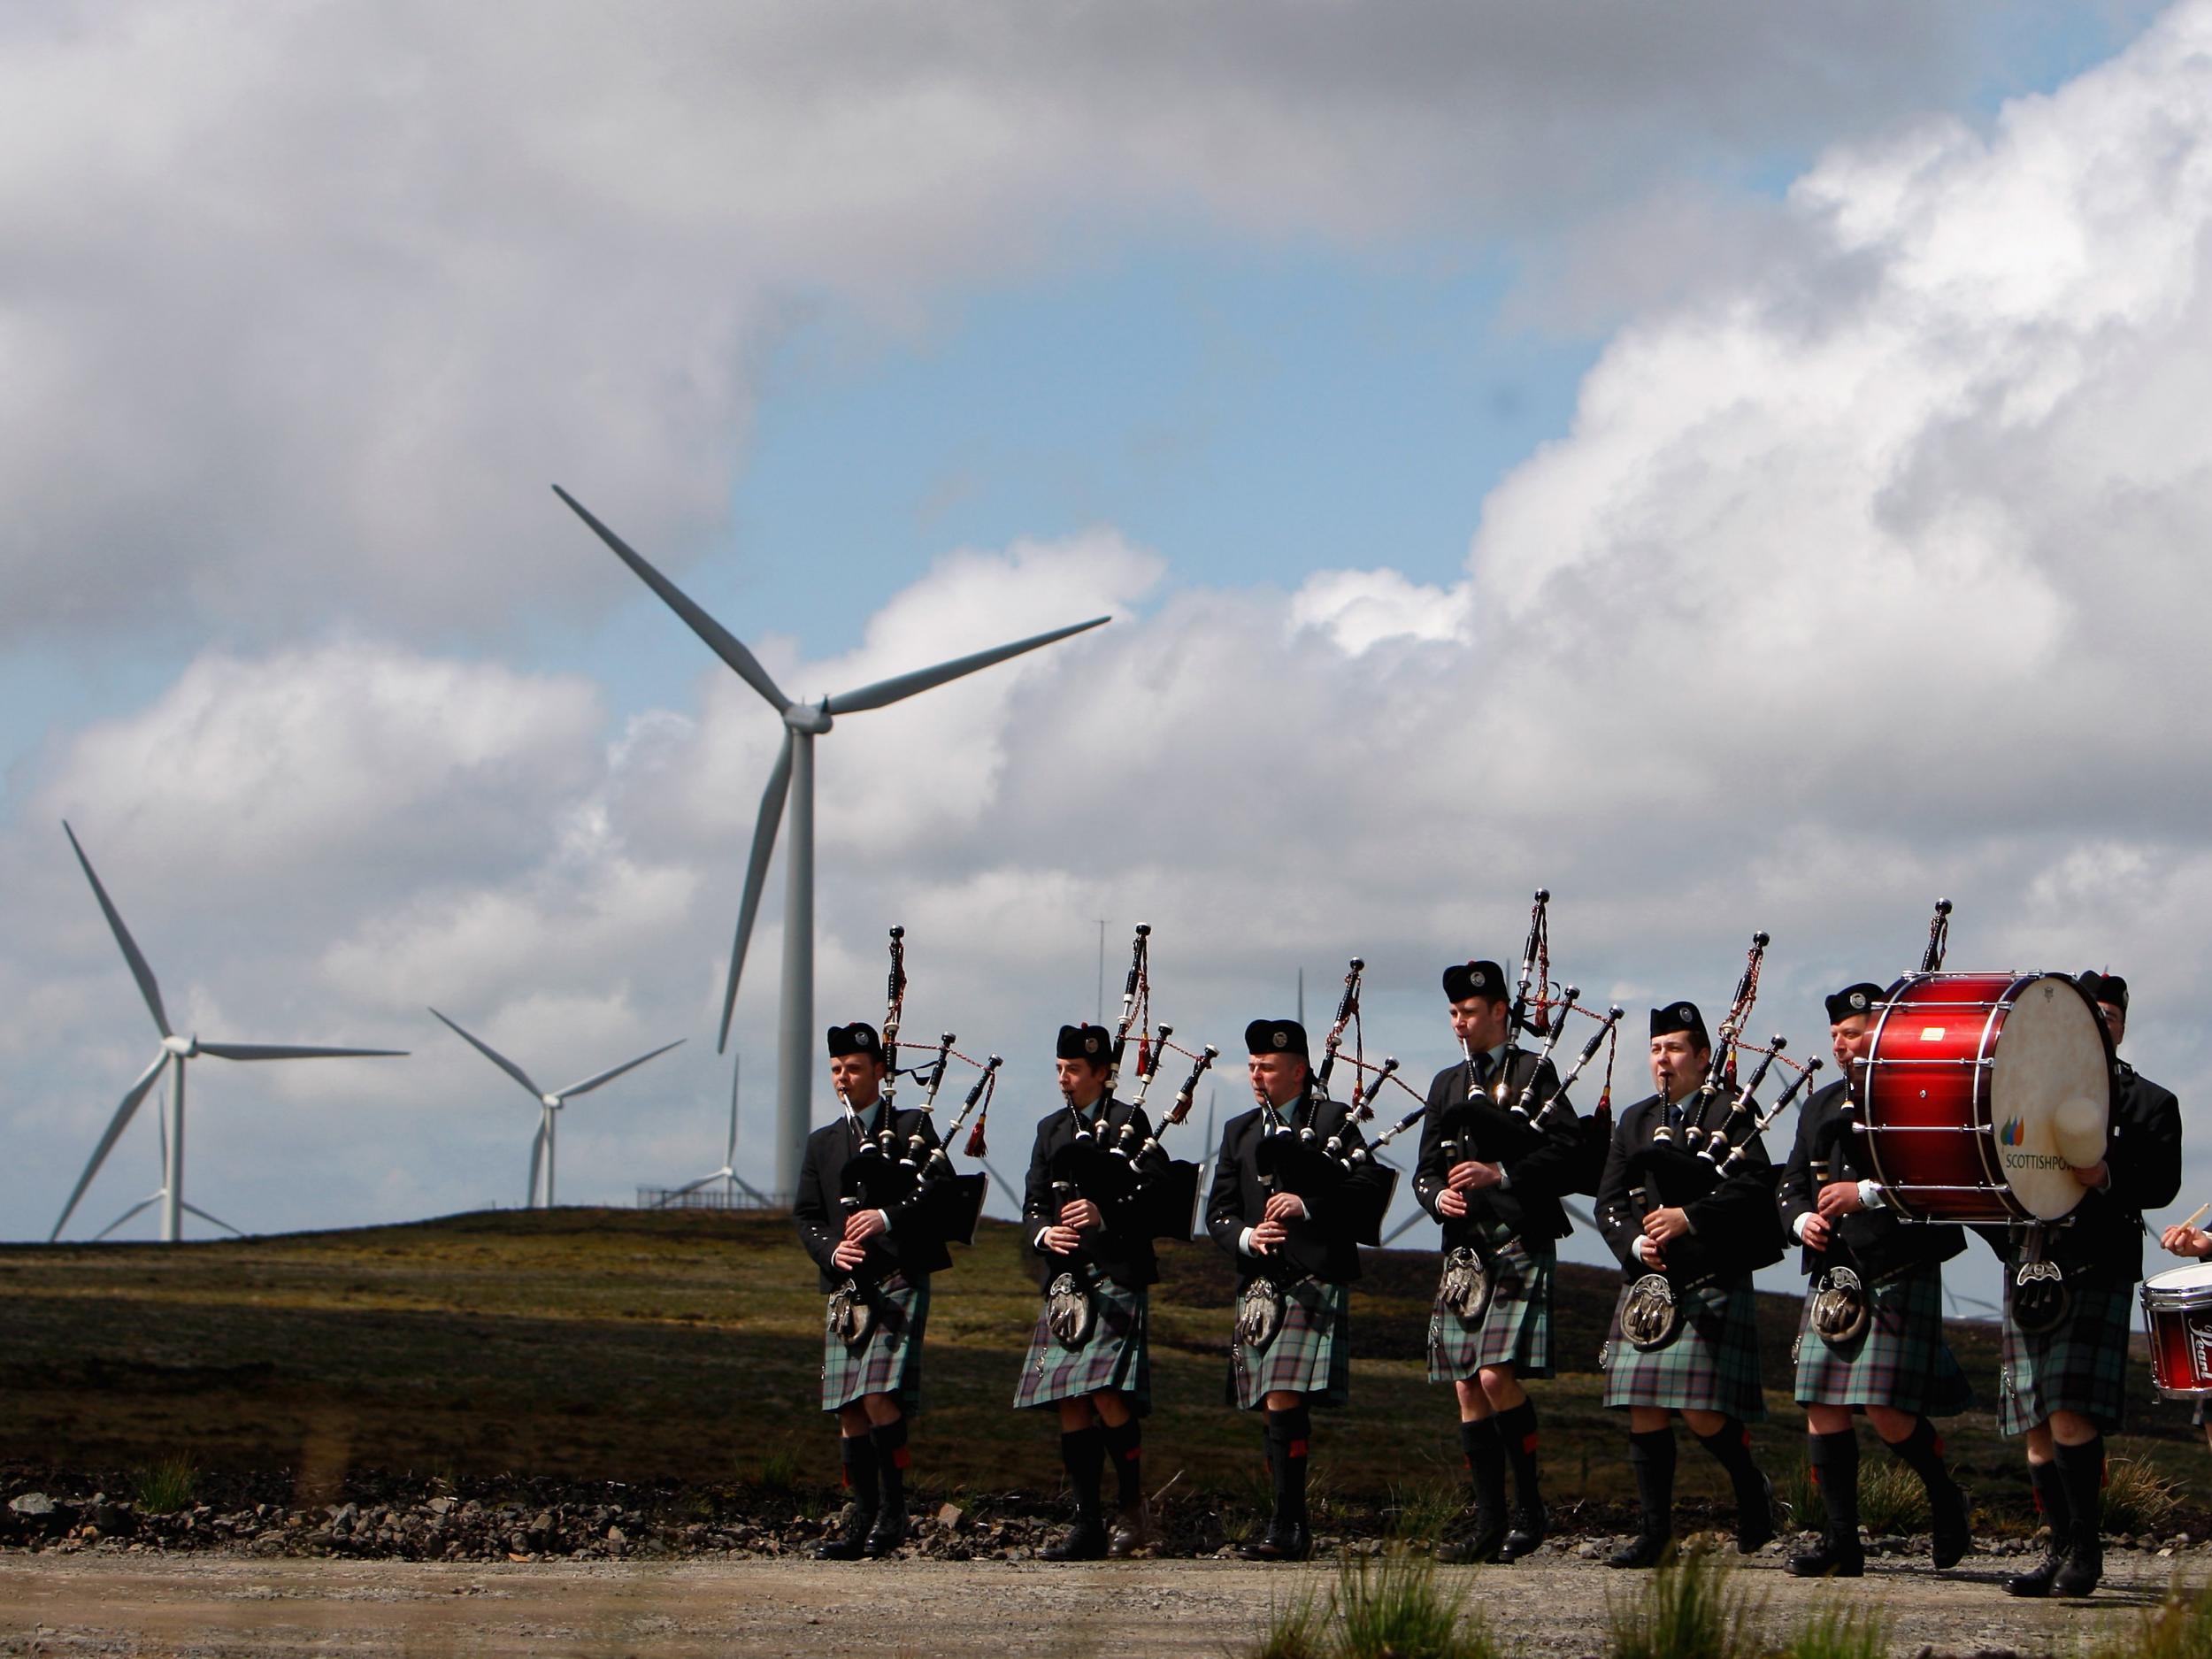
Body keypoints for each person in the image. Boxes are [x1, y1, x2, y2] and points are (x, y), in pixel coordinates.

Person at [1993, 970, 2181, 1599]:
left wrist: (2105, 1174)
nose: (2101, 1025)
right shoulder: (2017, 1091)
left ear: (2122, 1026)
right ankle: (2057, 1548)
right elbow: (1994, 1168)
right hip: (2031, 1266)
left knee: (2070, 1413)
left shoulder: (2150, 1103)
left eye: (2111, 1016)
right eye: (2090, 1014)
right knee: (2037, 1426)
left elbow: (2161, 1184)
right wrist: (2009, 1248)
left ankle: (2086, 1551)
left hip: (2096, 1264)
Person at [1777, 982, 1972, 1578]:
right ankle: (1842, 1543)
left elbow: (1948, 1171)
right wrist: (1801, 1218)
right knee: (1820, 1403)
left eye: (1852, 1032)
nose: (1840, 1044)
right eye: (1834, 1034)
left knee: (1886, 1410)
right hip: (1835, 1275)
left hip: (1897, 1260)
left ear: (1881, 1033)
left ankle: (1945, 1497)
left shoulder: (1917, 1092)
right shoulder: (1819, 1104)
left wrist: (1865, 1195)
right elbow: (1788, 1183)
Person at [1594, 1002, 1782, 1569]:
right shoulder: (1632, 1119)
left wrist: (1689, 1217)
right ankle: (1656, 1534)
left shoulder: (1733, 1112)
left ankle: (1753, 1490)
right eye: (1656, 1050)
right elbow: (1607, 1199)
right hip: (1649, 1282)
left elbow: (1754, 1188)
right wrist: (1634, 1243)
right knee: (1642, 1404)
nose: (1663, 1060)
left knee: (1702, 1412)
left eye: (1674, 1049)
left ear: (1703, 1058)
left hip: (1710, 1272)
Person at [1413, 959, 1587, 1563]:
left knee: (1494, 1375)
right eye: (1454, 1012)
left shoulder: (1534, 1071)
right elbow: (1423, 1169)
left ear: (1498, 1013)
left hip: (1515, 1232)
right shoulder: (1444, 1084)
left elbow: (1568, 1151)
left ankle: (1530, 1508)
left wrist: (1502, 1172)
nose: (1459, 1022)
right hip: (1464, 1247)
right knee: (1466, 1385)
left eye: (1469, 1011)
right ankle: (1488, 1522)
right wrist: (1439, 1195)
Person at [1205, 1017, 1394, 1561]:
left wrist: (1308, 1206)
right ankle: (1288, 1523)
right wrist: (1246, 1235)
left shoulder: (1335, 1119)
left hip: (1312, 1275)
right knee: (1271, 1402)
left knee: (1284, 1394)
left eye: (1267, 1067)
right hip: (1259, 1281)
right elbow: (1217, 1210)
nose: (1256, 1076)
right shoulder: (1239, 1131)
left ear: (1299, 1070)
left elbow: (1366, 1190)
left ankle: (1288, 1526)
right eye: (1252, 1066)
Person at [792, 1021, 951, 1561]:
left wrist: (886, 1217)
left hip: (897, 1274)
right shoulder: (822, 1143)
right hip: (848, 1283)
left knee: (879, 1395)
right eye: (836, 1069)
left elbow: (941, 1190)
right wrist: (830, 1252)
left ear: (880, 1072)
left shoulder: (910, 1126)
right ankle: (859, 1516)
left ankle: (894, 1509)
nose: (843, 1078)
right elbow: (807, 1214)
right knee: (849, 1408)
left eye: (854, 1068)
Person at [1014, 1023, 1173, 1560]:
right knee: (1070, 1400)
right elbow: (1032, 1204)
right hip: (1066, 1282)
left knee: (1107, 1395)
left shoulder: (1133, 1122)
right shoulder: (1049, 1129)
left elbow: (1157, 1195)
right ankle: (1085, 1525)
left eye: (1075, 1071)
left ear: (1104, 1074)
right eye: (1060, 1069)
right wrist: (1043, 1232)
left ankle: (1132, 1510)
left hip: (1114, 1275)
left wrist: (1105, 1214)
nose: (1065, 1079)